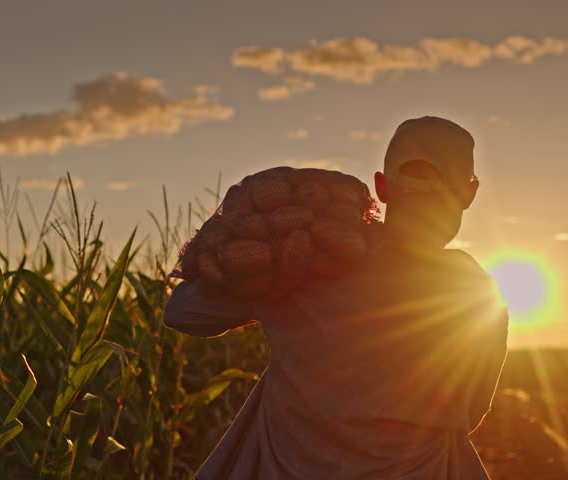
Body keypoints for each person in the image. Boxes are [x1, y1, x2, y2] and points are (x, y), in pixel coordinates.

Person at [163, 116, 509, 479]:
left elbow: (183, 312)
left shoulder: (306, 262)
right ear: (469, 193)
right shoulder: (477, 292)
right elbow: (469, 412)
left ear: (382, 187)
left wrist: (262, 259)